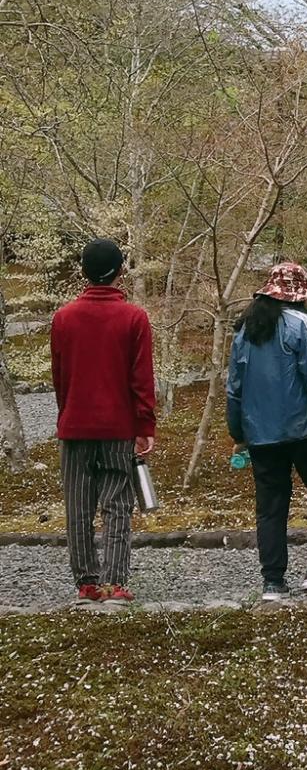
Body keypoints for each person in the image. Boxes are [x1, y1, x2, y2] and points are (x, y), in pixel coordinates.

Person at [226, 261, 307, 603]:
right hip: (305, 430)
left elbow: (234, 386)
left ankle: (273, 582)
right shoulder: (303, 324)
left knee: (270, 508)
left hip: (260, 435)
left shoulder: (245, 330)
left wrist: (237, 432)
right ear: (299, 294)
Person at [50, 236, 156, 605]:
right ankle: (114, 584)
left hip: (75, 426)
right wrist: (145, 427)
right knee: (117, 505)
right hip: (118, 428)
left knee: (78, 507)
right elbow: (141, 380)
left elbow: (60, 377)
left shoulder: (63, 318)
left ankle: (86, 584)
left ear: (84, 272)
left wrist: (67, 413)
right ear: (119, 271)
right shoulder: (134, 318)